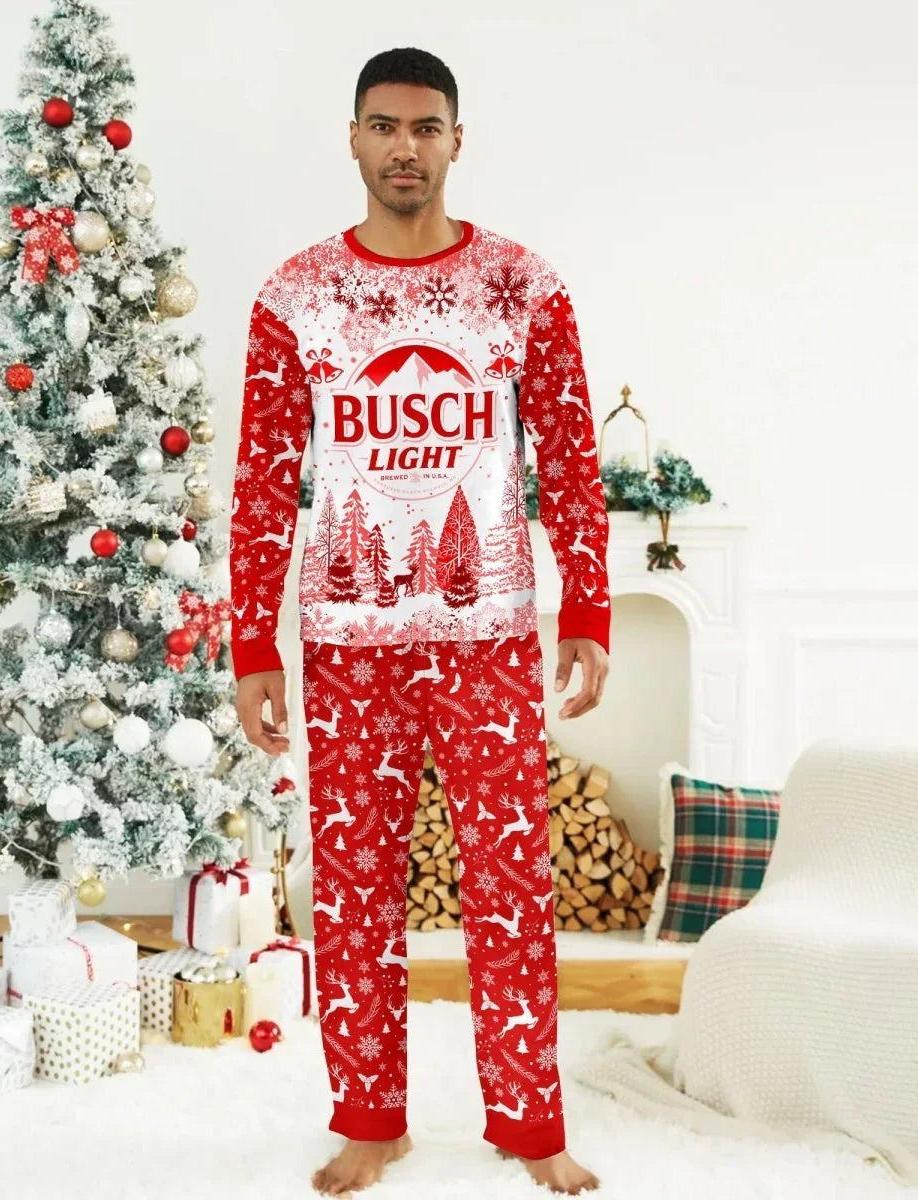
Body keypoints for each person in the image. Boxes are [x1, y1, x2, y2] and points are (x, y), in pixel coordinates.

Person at [230, 46, 607, 1197]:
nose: (405, 147)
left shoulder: (522, 286)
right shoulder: (295, 295)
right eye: (384, 126)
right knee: (351, 890)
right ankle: (369, 1118)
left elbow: (573, 459)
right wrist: (254, 645)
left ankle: (532, 1127)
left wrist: (584, 606)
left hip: (488, 634)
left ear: (456, 140)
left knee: (511, 884)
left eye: (426, 127)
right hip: (344, 645)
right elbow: (261, 478)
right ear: (352, 138)